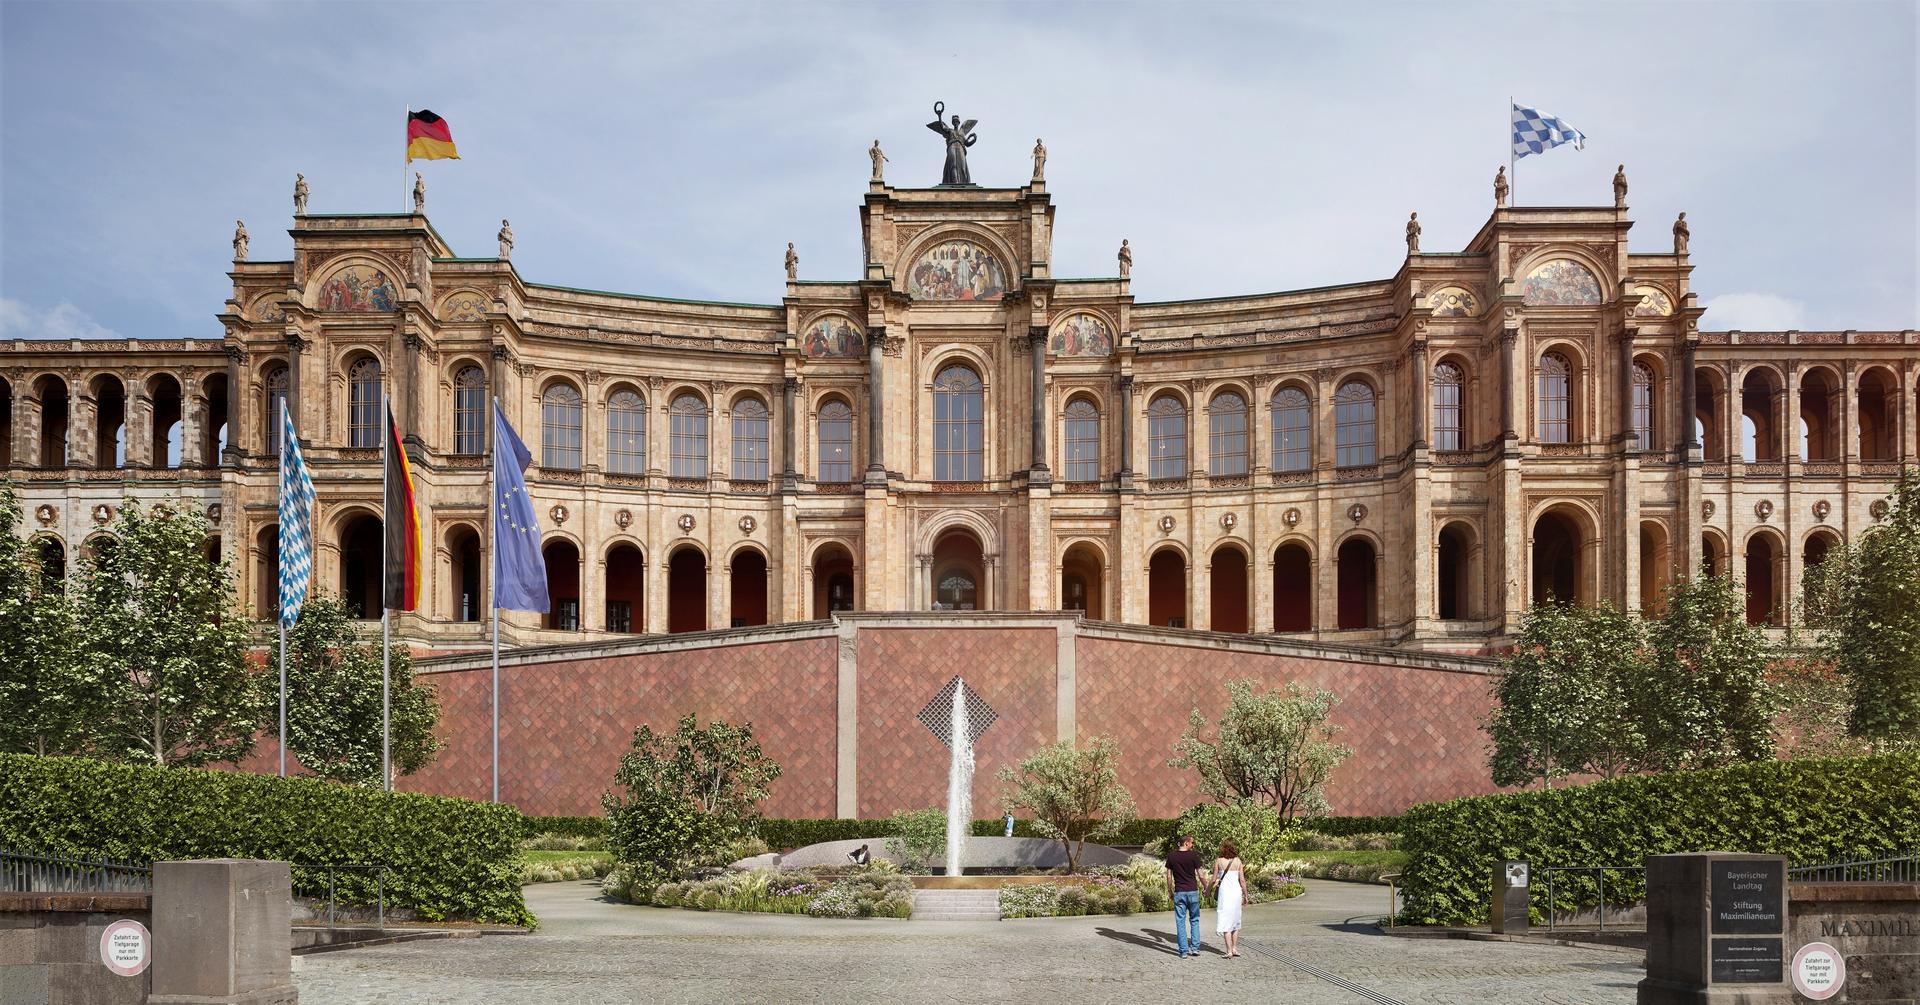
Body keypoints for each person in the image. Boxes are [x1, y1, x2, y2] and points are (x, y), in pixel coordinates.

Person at [1164, 833, 1209, 958]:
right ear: (1186, 843)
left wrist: (1170, 890)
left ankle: (1183, 951)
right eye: (1192, 843)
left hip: (1179, 892)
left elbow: (1169, 875)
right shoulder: (1194, 856)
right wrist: (1206, 887)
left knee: (1180, 922)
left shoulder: (1171, 856)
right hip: (1193, 892)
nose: (1193, 845)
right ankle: (1195, 948)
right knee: (1194, 920)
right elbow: (1200, 875)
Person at [1213, 838, 1245, 958]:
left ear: (1223, 848)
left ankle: (1229, 950)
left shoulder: (1219, 861)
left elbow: (1214, 878)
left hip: (1225, 894)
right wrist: (1246, 895)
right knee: (1236, 921)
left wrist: (1207, 889)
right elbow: (1242, 880)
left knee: (1226, 920)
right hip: (1236, 893)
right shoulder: (1238, 861)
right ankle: (1235, 948)